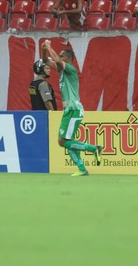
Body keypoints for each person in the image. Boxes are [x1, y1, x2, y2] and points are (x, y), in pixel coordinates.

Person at [42, 40, 101, 176]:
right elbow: (45, 60)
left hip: (73, 109)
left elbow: (56, 60)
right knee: (68, 142)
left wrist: (50, 46)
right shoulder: (62, 71)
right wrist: (43, 48)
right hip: (70, 111)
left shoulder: (70, 69)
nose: (59, 57)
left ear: (67, 59)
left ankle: (94, 149)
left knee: (62, 141)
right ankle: (82, 169)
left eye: (62, 56)